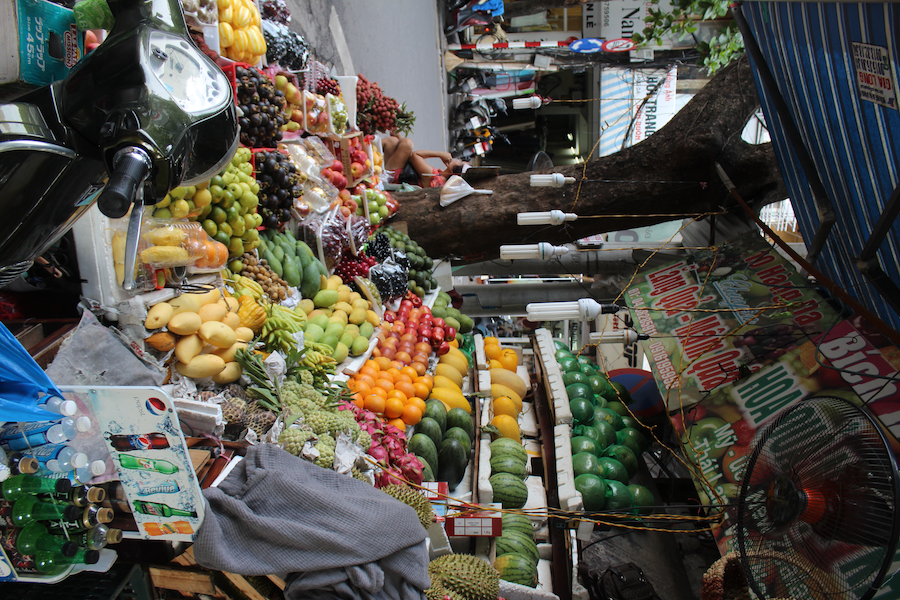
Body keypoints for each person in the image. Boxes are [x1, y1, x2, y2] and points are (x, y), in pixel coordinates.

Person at [381, 132, 468, 188]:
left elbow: (414, 155)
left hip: (394, 181)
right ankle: (368, 146)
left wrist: (440, 154)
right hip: (400, 175)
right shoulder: (441, 177)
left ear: (455, 171)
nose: (457, 160)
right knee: (392, 142)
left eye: (459, 162)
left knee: (407, 143)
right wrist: (399, 139)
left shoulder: (436, 179)